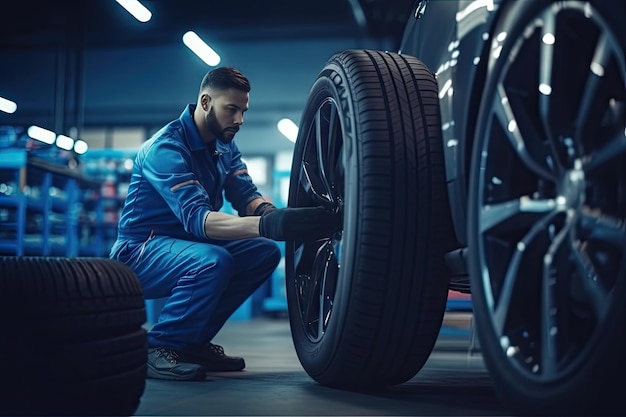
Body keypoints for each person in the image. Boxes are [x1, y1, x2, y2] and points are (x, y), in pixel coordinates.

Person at [110, 66, 336, 381]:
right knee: (212, 261)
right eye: (231, 109)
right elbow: (199, 220)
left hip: (189, 246)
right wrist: (269, 226)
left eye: (243, 111)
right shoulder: (165, 148)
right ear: (205, 102)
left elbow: (247, 197)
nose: (240, 120)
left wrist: (275, 215)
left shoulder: (224, 145)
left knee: (263, 252)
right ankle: (159, 346)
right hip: (141, 252)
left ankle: (191, 342)